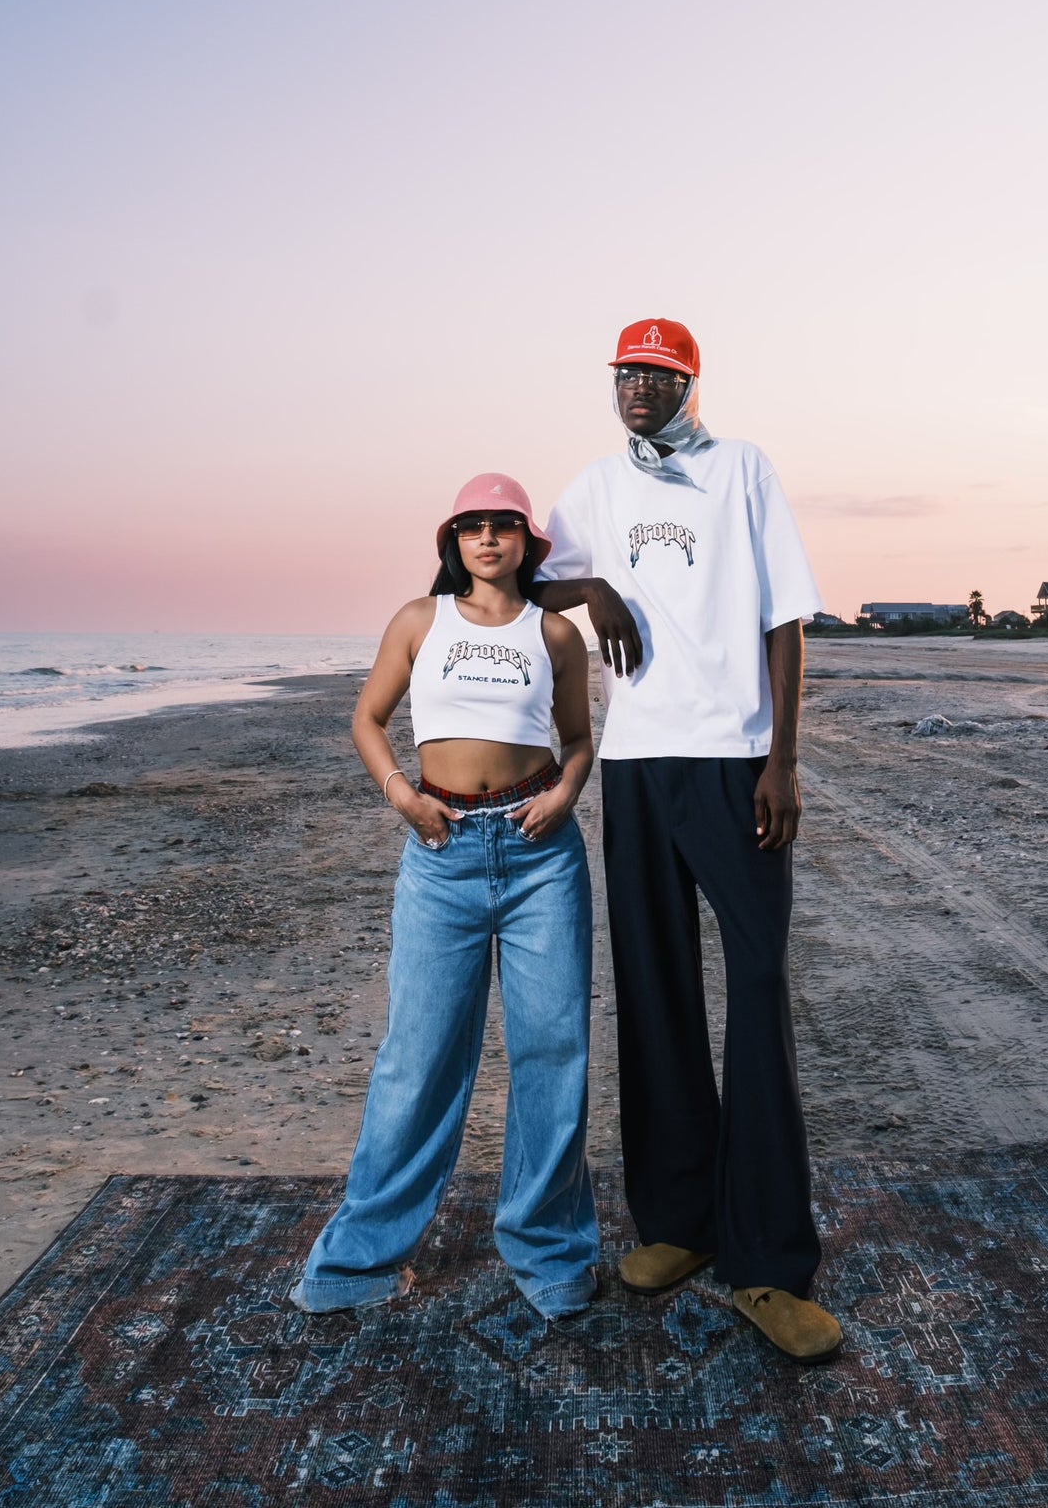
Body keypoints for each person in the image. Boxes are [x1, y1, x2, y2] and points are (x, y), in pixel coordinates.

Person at [531, 319, 843, 1362]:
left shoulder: (743, 468)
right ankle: (678, 1223)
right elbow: (532, 578)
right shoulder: (592, 487)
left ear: (687, 383)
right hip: (634, 763)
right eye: (623, 373)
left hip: (732, 757)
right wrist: (594, 589)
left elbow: (786, 618)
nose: (635, 389)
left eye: (655, 376)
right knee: (654, 986)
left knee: (753, 986)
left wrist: (782, 757)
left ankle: (767, 1260)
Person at [291, 474, 599, 1321]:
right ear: (452, 541)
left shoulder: (556, 633)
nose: (488, 539)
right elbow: (367, 717)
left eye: (504, 526)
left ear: (528, 541)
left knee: (551, 1050)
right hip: (441, 851)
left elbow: (577, 739)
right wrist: (398, 790)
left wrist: (568, 791)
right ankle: (357, 1259)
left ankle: (550, 1250)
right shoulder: (419, 621)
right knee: (417, 1056)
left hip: (539, 853)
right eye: (472, 527)